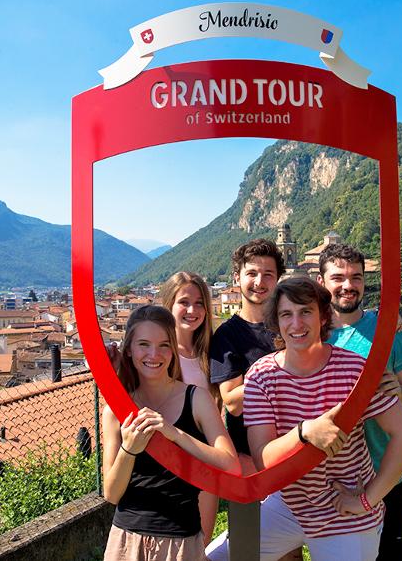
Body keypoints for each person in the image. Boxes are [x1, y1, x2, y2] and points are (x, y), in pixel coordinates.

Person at [244, 276, 402, 560]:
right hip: (287, 505)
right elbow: (263, 458)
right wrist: (304, 432)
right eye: (286, 314)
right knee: (219, 556)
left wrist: (367, 500)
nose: (296, 323)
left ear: (324, 317)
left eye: (306, 312)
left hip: (345, 512)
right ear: (276, 322)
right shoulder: (261, 375)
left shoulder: (354, 369)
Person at [102, 305, 239, 561]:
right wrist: (129, 449)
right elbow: (111, 494)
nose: (154, 354)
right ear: (129, 349)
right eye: (144, 344)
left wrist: (174, 433)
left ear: (173, 350)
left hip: (181, 542)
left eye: (164, 345)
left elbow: (230, 464)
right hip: (127, 542)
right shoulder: (115, 411)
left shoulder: (196, 399)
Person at [317, 243, 402, 561]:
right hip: (329, 480)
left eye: (356, 277)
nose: (348, 285)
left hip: (385, 474)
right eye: (338, 277)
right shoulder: (310, 334)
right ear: (322, 282)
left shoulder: (387, 328)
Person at [209, 238, 285, 465]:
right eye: (251, 273)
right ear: (237, 277)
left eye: (268, 274)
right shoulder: (226, 335)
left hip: (297, 452)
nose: (259, 282)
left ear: (277, 279)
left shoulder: (290, 325)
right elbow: (233, 404)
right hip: (250, 460)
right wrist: (283, 368)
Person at [160, 271, 219, 545]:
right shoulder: (158, 356)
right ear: (169, 304)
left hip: (204, 459)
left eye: (199, 303)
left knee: (201, 541)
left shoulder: (211, 353)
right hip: (167, 463)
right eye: (184, 302)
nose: (192, 310)